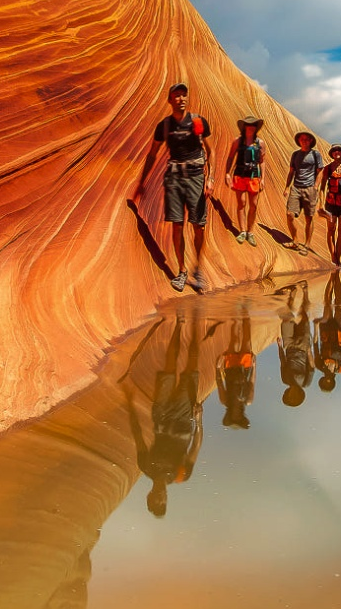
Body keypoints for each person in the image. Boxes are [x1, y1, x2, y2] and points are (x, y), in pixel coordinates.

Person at [133, 83, 213, 291]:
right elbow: (152, 154)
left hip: (196, 176)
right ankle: (182, 271)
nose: (181, 99)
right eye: (177, 96)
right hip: (174, 178)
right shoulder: (165, 126)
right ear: (170, 100)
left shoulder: (197, 122)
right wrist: (142, 182)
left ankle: (198, 268)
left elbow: (209, 151)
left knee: (199, 226)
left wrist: (210, 178)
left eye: (184, 95)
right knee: (177, 225)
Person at [126, 314, 204, 518]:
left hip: (161, 415)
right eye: (162, 501)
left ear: (149, 496)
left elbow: (138, 436)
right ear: (166, 499)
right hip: (183, 420)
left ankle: (179, 324)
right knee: (191, 368)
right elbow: (195, 447)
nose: (160, 497)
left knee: (170, 368)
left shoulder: (146, 467)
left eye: (155, 500)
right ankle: (197, 324)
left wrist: (130, 405)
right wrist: (198, 420)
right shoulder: (180, 475)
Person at [222, 115, 266, 246]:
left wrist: (263, 179)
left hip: (254, 176)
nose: (251, 127)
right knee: (241, 203)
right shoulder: (237, 141)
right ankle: (242, 231)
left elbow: (262, 161)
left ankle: (250, 232)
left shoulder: (260, 143)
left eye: (253, 125)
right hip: (240, 175)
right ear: (244, 127)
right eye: (248, 125)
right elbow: (230, 157)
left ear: (256, 127)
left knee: (254, 204)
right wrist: (227, 173)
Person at [283, 131, 324, 254]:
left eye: (306, 139)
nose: (304, 141)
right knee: (289, 214)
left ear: (310, 141)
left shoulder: (315, 154)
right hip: (296, 188)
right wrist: (287, 187)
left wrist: (315, 186)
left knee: (308, 218)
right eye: (302, 139)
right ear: (299, 141)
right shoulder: (295, 155)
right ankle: (295, 241)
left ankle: (306, 245)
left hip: (309, 188)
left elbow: (320, 171)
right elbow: (291, 171)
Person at [215, 308, 256, 429]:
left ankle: (234, 316)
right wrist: (254, 366)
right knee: (247, 341)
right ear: (242, 416)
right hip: (246, 369)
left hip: (230, 369)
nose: (236, 415)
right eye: (238, 418)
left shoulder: (225, 401)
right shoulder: (248, 400)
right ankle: (245, 313)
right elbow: (251, 382)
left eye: (234, 418)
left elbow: (219, 382)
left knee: (234, 340)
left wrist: (217, 367)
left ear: (230, 416)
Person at [277, 280, 313, 407]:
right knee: (304, 316)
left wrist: (280, 346)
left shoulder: (285, 379)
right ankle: (305, 291)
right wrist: (309, 350)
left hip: (289, 345)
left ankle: (292, 294)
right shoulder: (306, 382)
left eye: (287, 395)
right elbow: (311, 366)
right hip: (303, 347)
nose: (288, 393)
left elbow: (283, 362)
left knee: (286, 318)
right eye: (290, 396)